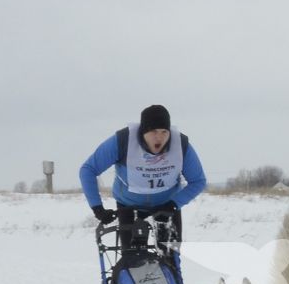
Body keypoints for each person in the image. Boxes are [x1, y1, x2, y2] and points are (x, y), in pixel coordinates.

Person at [78, 104, 207, 265]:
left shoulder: (180, 145)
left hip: (166, 206)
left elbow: (198, 181)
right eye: (153, 132)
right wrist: (97, 208)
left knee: (170, 260)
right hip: (129, 205)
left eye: (164, 132)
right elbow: (88, 169)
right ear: (143, 132)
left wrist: (173, 205)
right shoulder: (122, 141)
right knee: (132, 261)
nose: (159, 138)